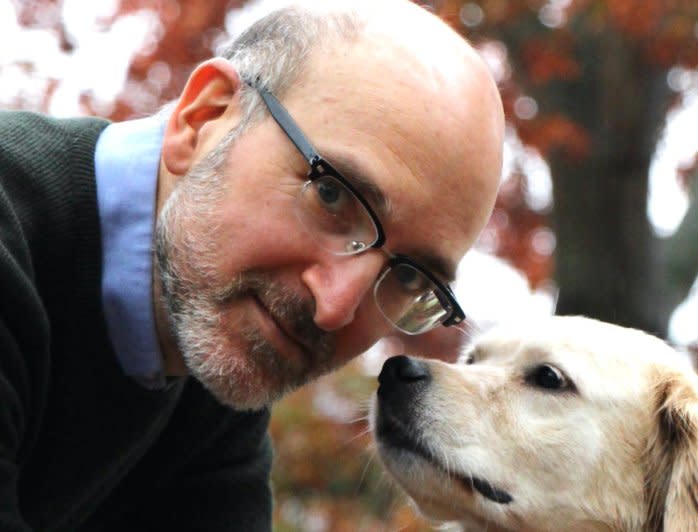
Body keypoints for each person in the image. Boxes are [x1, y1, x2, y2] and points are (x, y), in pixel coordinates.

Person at [0, 0, 504, 530]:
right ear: (203, 118)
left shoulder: (209, 390)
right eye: (332, 197)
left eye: (407, 277)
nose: (334, 307)